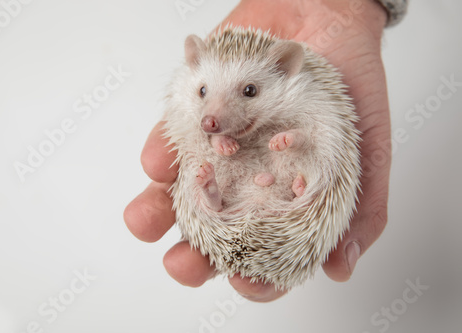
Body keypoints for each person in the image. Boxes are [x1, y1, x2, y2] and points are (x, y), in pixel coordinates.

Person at [124, 0, 408, 302]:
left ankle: (241, 195)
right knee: (202, 162)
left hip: (279, 193)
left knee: (313, 148)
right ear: (192, 68)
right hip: (240, 189)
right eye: (204, 92)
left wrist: (296, 139)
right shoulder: (194, 107)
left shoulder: (310, 97)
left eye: (249, 91)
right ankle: (216, 197)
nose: (212, 116)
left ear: (286, 69)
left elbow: (319, 138)